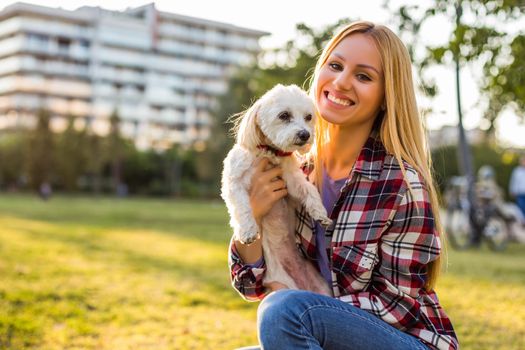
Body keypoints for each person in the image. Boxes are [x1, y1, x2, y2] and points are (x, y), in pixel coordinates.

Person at [228, 21, 458, 350]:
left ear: (385, 96)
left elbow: (399, 308)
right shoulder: (293, 172)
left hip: (405, 340)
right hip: (319, 327)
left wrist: (313, 306)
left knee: (283, 311)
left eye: (363, 76)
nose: (341, 82)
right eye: (335, 66)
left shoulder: (400, 184)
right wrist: (252, 214)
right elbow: (252, 287)